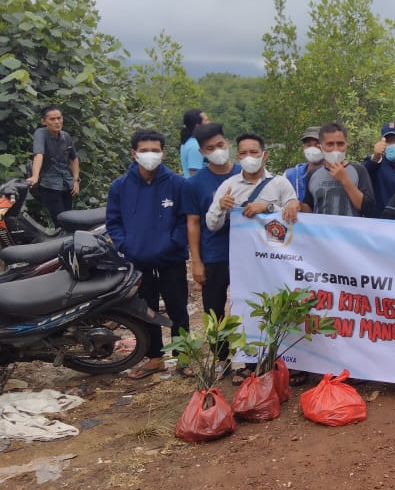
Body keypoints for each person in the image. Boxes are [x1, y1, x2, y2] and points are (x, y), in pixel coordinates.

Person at [206, 133, 300, 384]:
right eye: (244, 153)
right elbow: (212, 224)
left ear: (264, 155)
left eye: (254, 152)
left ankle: (286, 362)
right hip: (245, 262)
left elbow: (293, 215)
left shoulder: (280, 184)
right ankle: (249, 363)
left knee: (279, 304)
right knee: (247, 306)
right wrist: (221, 207)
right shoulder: (228, 186)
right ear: (238, 157)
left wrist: (268, 208)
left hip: (276, 260)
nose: (249, 157)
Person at [106, 129, 190, 379]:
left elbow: (186, 220)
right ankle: (155, 359)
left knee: (177, 308)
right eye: (144, 151)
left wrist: (173, 243)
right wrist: (126, 246)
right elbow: (113, 222)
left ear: (163, 153)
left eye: (155, 150)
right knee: (146, 310)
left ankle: (184, 357)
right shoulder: (120, 187)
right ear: (134, 153)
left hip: (171, 259)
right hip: (138, 261)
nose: (150, 155)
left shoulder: (177, 184)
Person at [181, 123, 242, 372]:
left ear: (227, 143)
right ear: (202, 153)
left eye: (220, 145)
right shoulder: (195, 184)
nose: (217, 151)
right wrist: (196, 261)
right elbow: (193, 223)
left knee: (246, 304)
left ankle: (247, 357)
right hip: (214, 253)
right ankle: (221, 356)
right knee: (214, 308)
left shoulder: (245, 173)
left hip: (246, 254)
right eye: (210, 148)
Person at [301, 122, 375, 217]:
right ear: (321, 147)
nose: (335, 149)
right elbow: (310, 208)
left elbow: (368, 209)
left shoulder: (359, 171)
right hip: (321, 227)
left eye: (340, 144)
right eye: (330, 144)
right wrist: (299, 206)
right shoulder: (313, 174)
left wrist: (345, 180)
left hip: (350, 227)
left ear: (346, 146)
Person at [27, 105, 79, 225]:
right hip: (50, 184)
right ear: (44, 121)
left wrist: (76, 180)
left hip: (67, 183)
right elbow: (39, 154)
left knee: (70, 218)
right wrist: (35, 176)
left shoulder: (66, 136)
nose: (57, 122)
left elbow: (74, 158)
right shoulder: (40, 133)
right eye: (52, 119)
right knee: (60, 220)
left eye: (59, 118)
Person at [364, 121, 395, 217]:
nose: (393, 144)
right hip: (381, 223)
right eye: (389, 141)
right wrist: (376, 157)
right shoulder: (376, 164)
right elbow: (365, 172)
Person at [283, 126, 325, 202]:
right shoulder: (291, 175)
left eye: (317, 144)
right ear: (303, 148)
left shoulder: (335, 174)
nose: (312, 148)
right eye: (308, 145)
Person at [179, 109, 208, 177]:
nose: (209, 123)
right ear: (198, 126)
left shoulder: (189, 141)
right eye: (206, 120)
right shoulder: (195, 146)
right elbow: (194, 174)